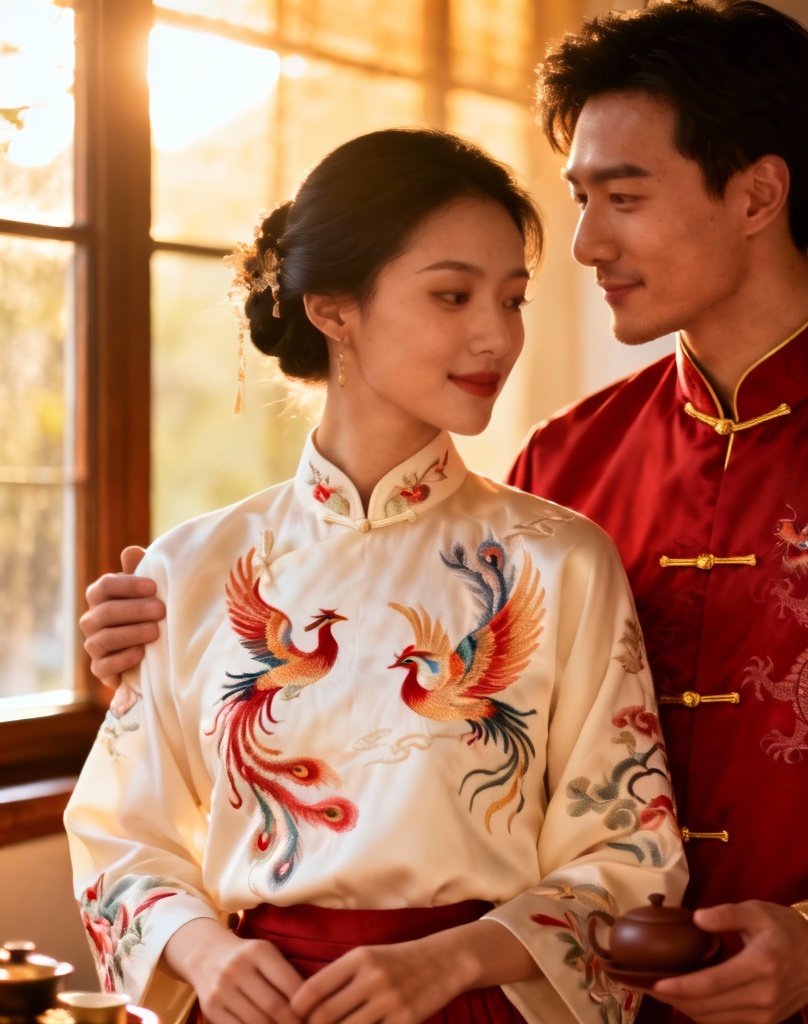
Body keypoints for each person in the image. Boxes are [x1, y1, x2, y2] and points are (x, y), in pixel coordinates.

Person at [79, 3, 808, 1023]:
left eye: (623, 197)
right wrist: (172, 636)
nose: (585, 244)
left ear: (757, 194)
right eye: (579, 199)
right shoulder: (567, 459)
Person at [65, 127, 687, 1024]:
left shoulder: (559, 559)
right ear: (333, 310)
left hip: (475, 1003)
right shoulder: (191, 567)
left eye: (512, 299)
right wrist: (205, 954)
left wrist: (452, 959)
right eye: (452, 295)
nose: (497, 335)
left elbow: (631, 856)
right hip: (252, 1005)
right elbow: (121, 832)